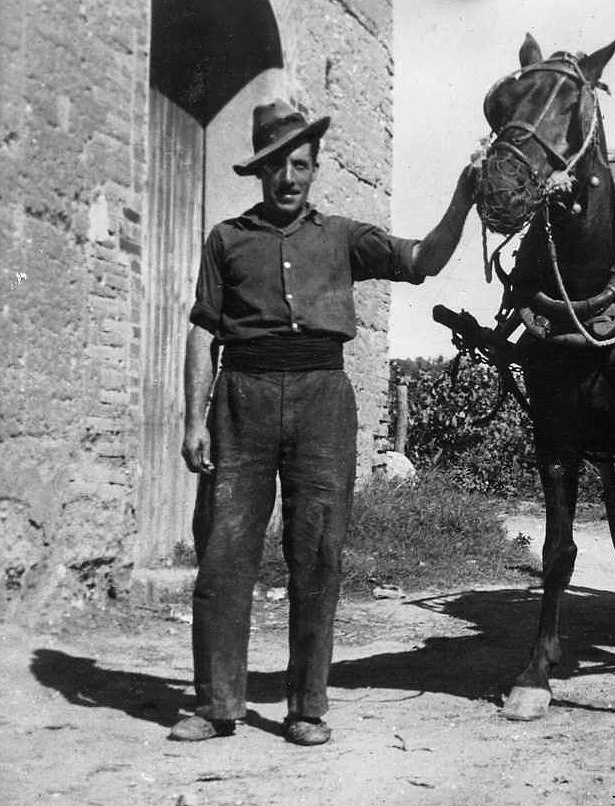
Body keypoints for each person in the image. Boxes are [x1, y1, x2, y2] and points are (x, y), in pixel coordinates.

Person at [170, 98, 476, 746]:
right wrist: (193, 419)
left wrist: (463, 196)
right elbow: (203, 332)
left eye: (300, 165)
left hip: (323, 404)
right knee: (223, 555)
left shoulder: (342, 237)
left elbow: (421, 260)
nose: (289, 178)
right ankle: (216, 702)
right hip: (242, 399)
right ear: (260, 170)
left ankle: (306, 708)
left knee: (317, 555)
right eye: (278, 165)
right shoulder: (226, 239)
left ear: (313, 169)